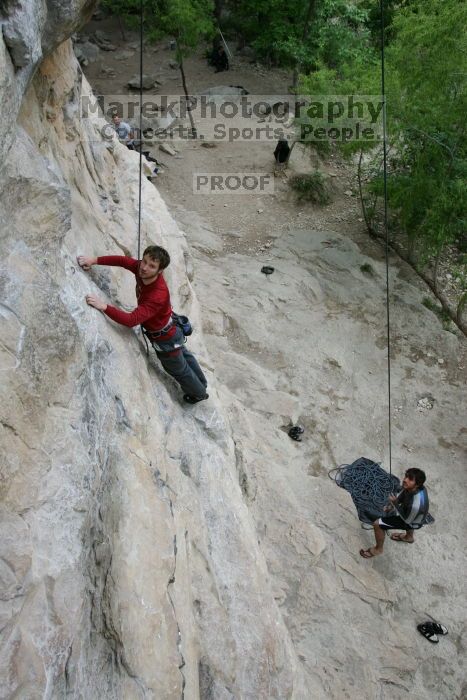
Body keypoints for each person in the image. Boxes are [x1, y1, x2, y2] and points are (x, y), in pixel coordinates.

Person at [77, 247, 209, 404]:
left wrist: (103, 306)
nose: (144, 268)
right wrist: (94, 260)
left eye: (152, 266)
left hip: (165, 339)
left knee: (178, 369)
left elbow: (130, 320)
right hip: (171, 330)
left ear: (160, 271)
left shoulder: (156, 295)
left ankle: (199, 393)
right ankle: (202, 382)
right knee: (184, 354)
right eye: (144, 261)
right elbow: (122, 261)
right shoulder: (142, 270)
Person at [360, 468, 429, 559]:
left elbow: (407, 520)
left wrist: (395, 504)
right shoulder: (417, 488)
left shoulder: (415, 504)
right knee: (410, 517)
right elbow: (405, 493)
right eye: (406, 476)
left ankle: (378, 549)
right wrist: (393, 505)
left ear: (417, 484)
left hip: (411, 520)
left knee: (377, 524)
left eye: (410, 479)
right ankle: (409, 537)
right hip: (416, 516)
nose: (405, 480)